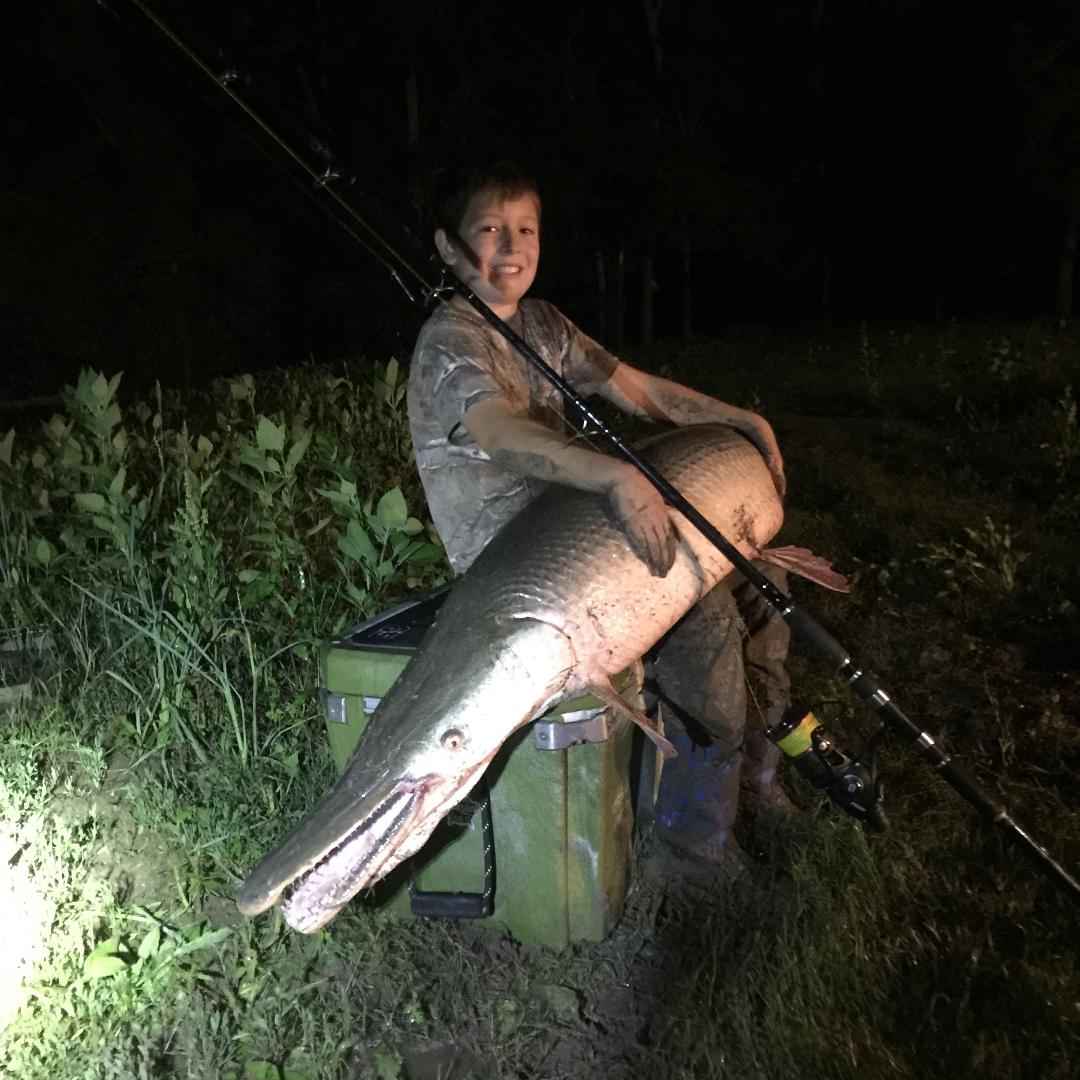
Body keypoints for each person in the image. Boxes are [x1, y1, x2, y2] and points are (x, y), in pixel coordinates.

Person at [407, 162, 795, 874]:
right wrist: (615, 476)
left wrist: (742, 419)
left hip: (583, 521)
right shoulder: (451, 340)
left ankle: (760, 776)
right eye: (488, 230)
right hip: (514, 561)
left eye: (525, 228)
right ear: (448, 246)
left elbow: (635, 388)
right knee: (699, 613)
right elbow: (499, 433)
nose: (511, 246)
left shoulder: (542, 324)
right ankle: (693, 846)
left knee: (761, 579)